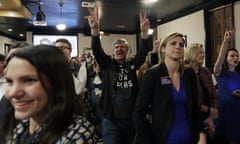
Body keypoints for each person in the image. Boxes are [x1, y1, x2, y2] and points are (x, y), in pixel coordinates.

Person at [0, 45, 96, 143]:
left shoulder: (76, 133)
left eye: (29, 80)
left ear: (57, 83)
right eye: (10, 81)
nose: (13, 93)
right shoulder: (22, 126)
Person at [87, 5, 151, 144]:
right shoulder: (107, 64)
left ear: (127, 50)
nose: (119, 49)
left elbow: (143, 52)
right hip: (111, 119)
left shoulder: (133, 64)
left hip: (130, 118)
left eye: (123, 47)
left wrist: (144, 34)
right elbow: (97, 50)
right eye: (116, 47)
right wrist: (94, 31)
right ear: (113, 51)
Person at [134, 32, 200, 144]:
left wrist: (201, 134)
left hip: (189, 137)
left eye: (181, 44)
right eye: (173, 43)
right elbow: (138, 114)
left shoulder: (188, 73)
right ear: (163, 49)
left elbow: (195, 107)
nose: (178, 46)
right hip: (163, 138)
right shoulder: (153, 74)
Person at [184, 43, 218, 144]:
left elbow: (213, 94)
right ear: (191, 54)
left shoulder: (205, 71)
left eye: (203, 53)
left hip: (208, 116)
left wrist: (211, 116)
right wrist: (208, 110)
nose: (202, 55)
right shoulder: (186, 72)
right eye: (199, 53)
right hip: (193, 117)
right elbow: (191, 100)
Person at [213, 29, 240, 144]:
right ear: (226, 58)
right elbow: (219, 62)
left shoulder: (238, 75)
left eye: (237, 56)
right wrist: (225, 43)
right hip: (224, 113)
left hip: (237, 113)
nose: (235, 58)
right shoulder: (220, 73)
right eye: (232, 56)